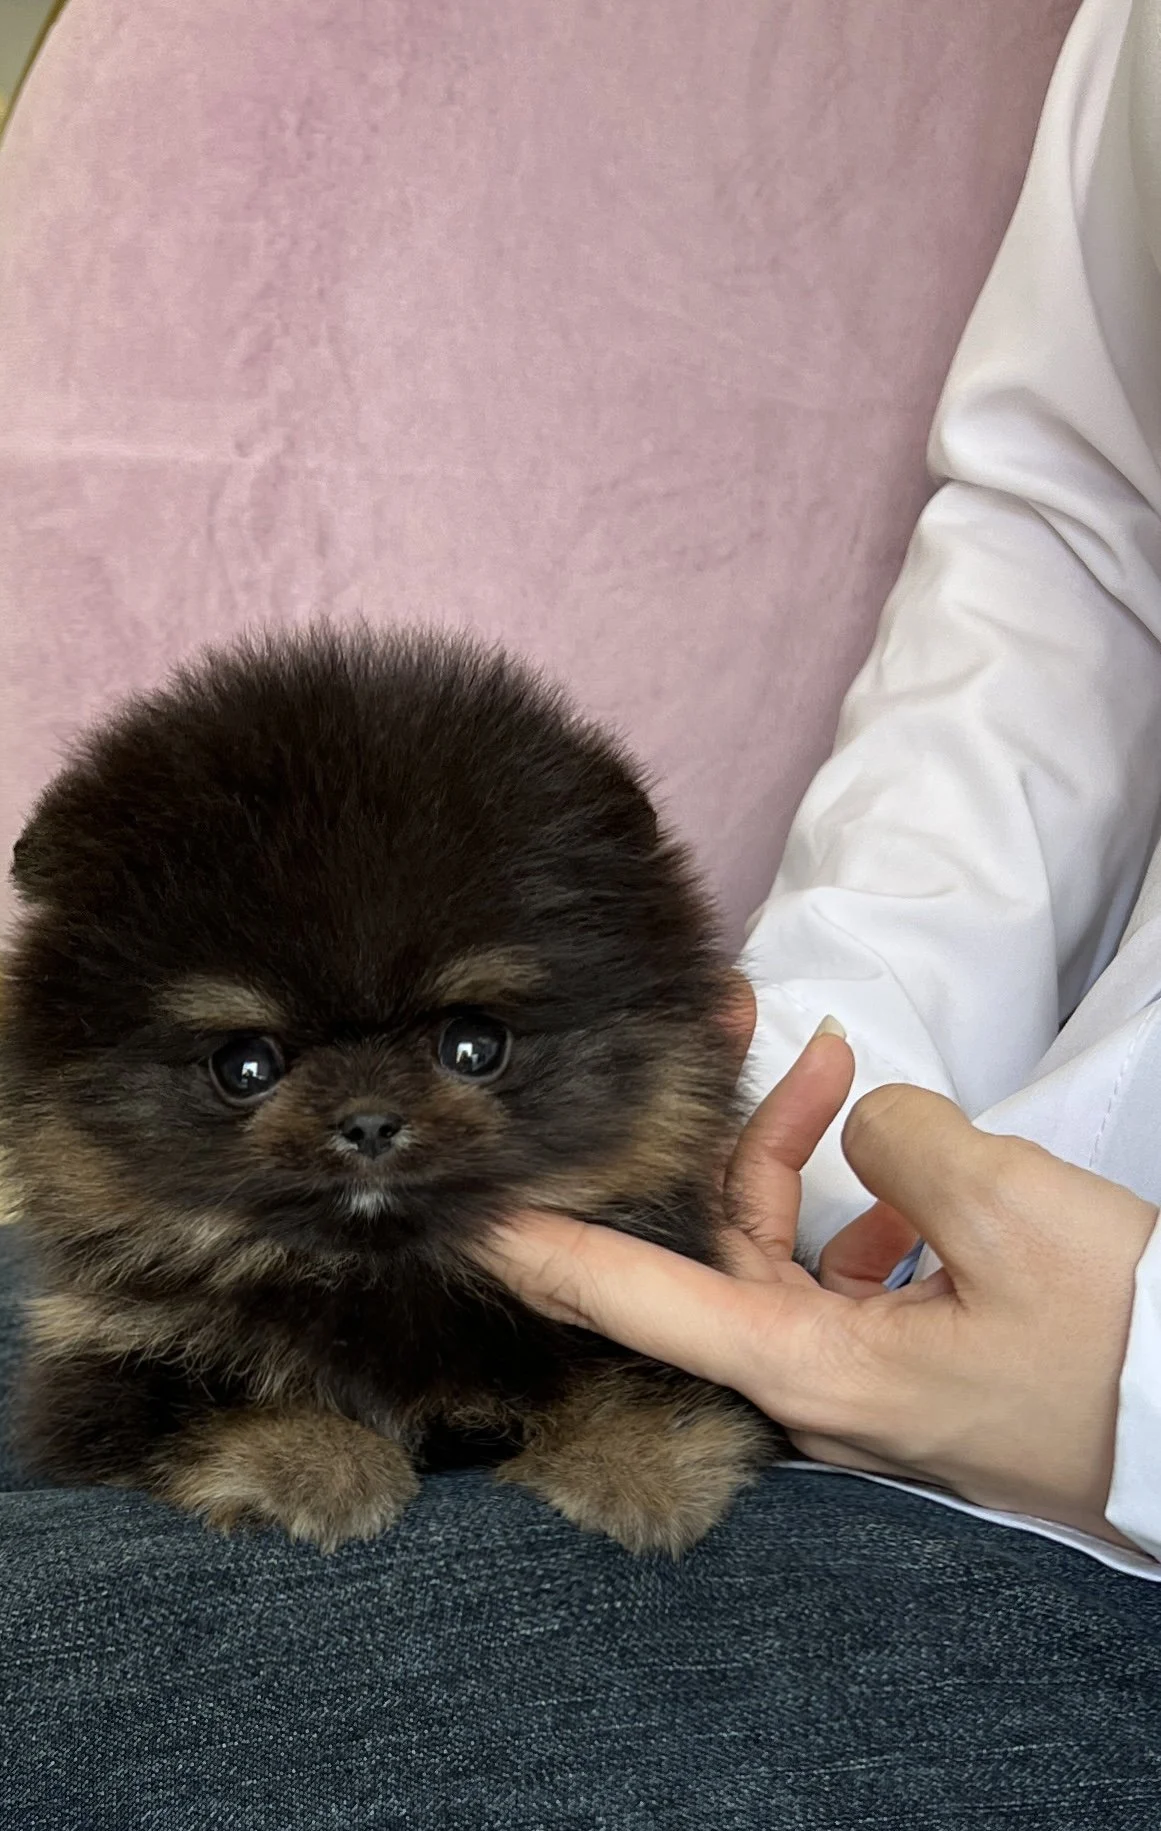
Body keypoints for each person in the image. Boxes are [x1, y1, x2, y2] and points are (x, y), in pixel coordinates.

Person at [0, 1, 1161, 1831]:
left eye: (470, 1041)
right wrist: (857, 1094)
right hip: (998, 1254)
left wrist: (1132, 1397)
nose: (379, 1113)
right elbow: (1078, 528)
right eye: (253, 1069)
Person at [486, 0, 1161, 1581]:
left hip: (1112, 1530)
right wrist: (825, 1073)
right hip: (933, 1290)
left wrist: (1136, 1393)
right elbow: (1088, 517)